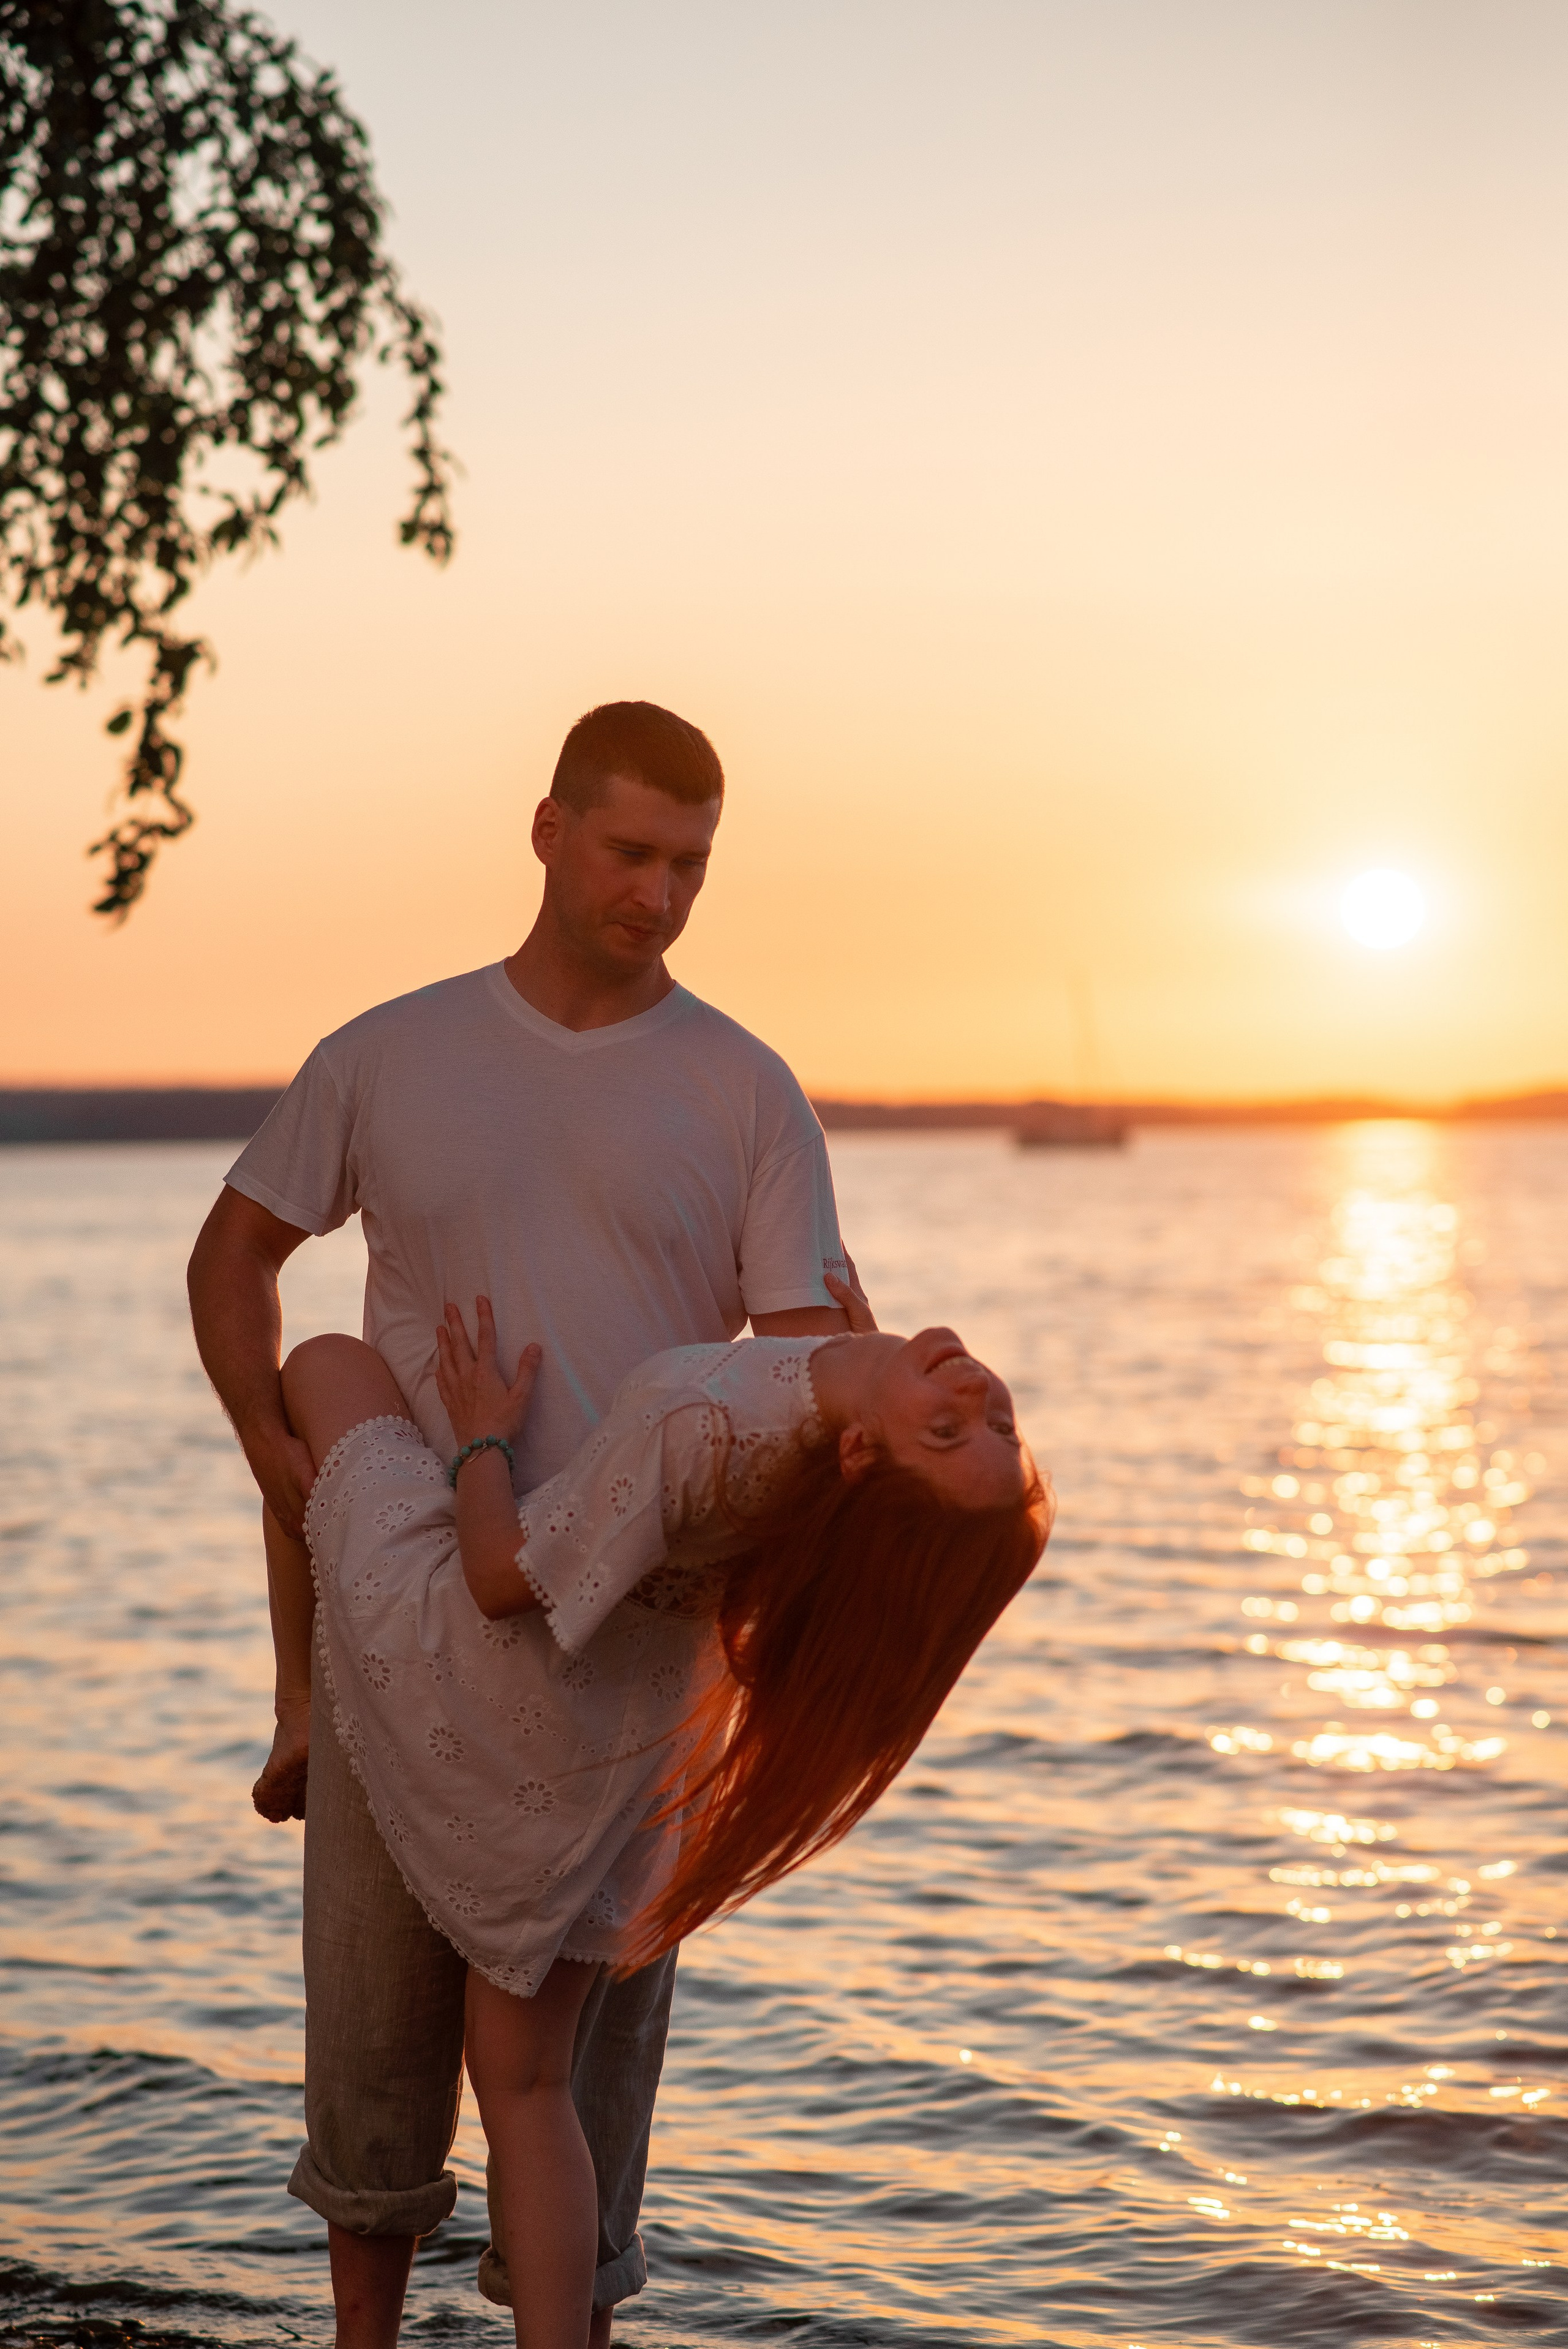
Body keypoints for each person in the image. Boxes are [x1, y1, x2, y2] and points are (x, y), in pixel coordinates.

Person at [186, 702, 856, 2348]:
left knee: (580, 2104)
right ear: (548, 829)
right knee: (372, 2072)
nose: (660, 894)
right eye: (631, 852)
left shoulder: (746, 1089)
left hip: (626, 1667)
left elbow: (794, 1376)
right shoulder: (390, 1053)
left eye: (691, 864)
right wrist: (276, 1456)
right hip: (402, 1622)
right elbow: (234, 1256)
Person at [275, 1291, 1050, 2349]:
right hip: (623, 1769)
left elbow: (499, 1578)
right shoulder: (830, 1404)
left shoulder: (708, 1431)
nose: (974, 1390)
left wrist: (484, 1438)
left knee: (323, 1365)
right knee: (529, 2083)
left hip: (498, 1699)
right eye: (993, 1423)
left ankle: (297, 1705)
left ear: (864, 1461)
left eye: (953, 1432)